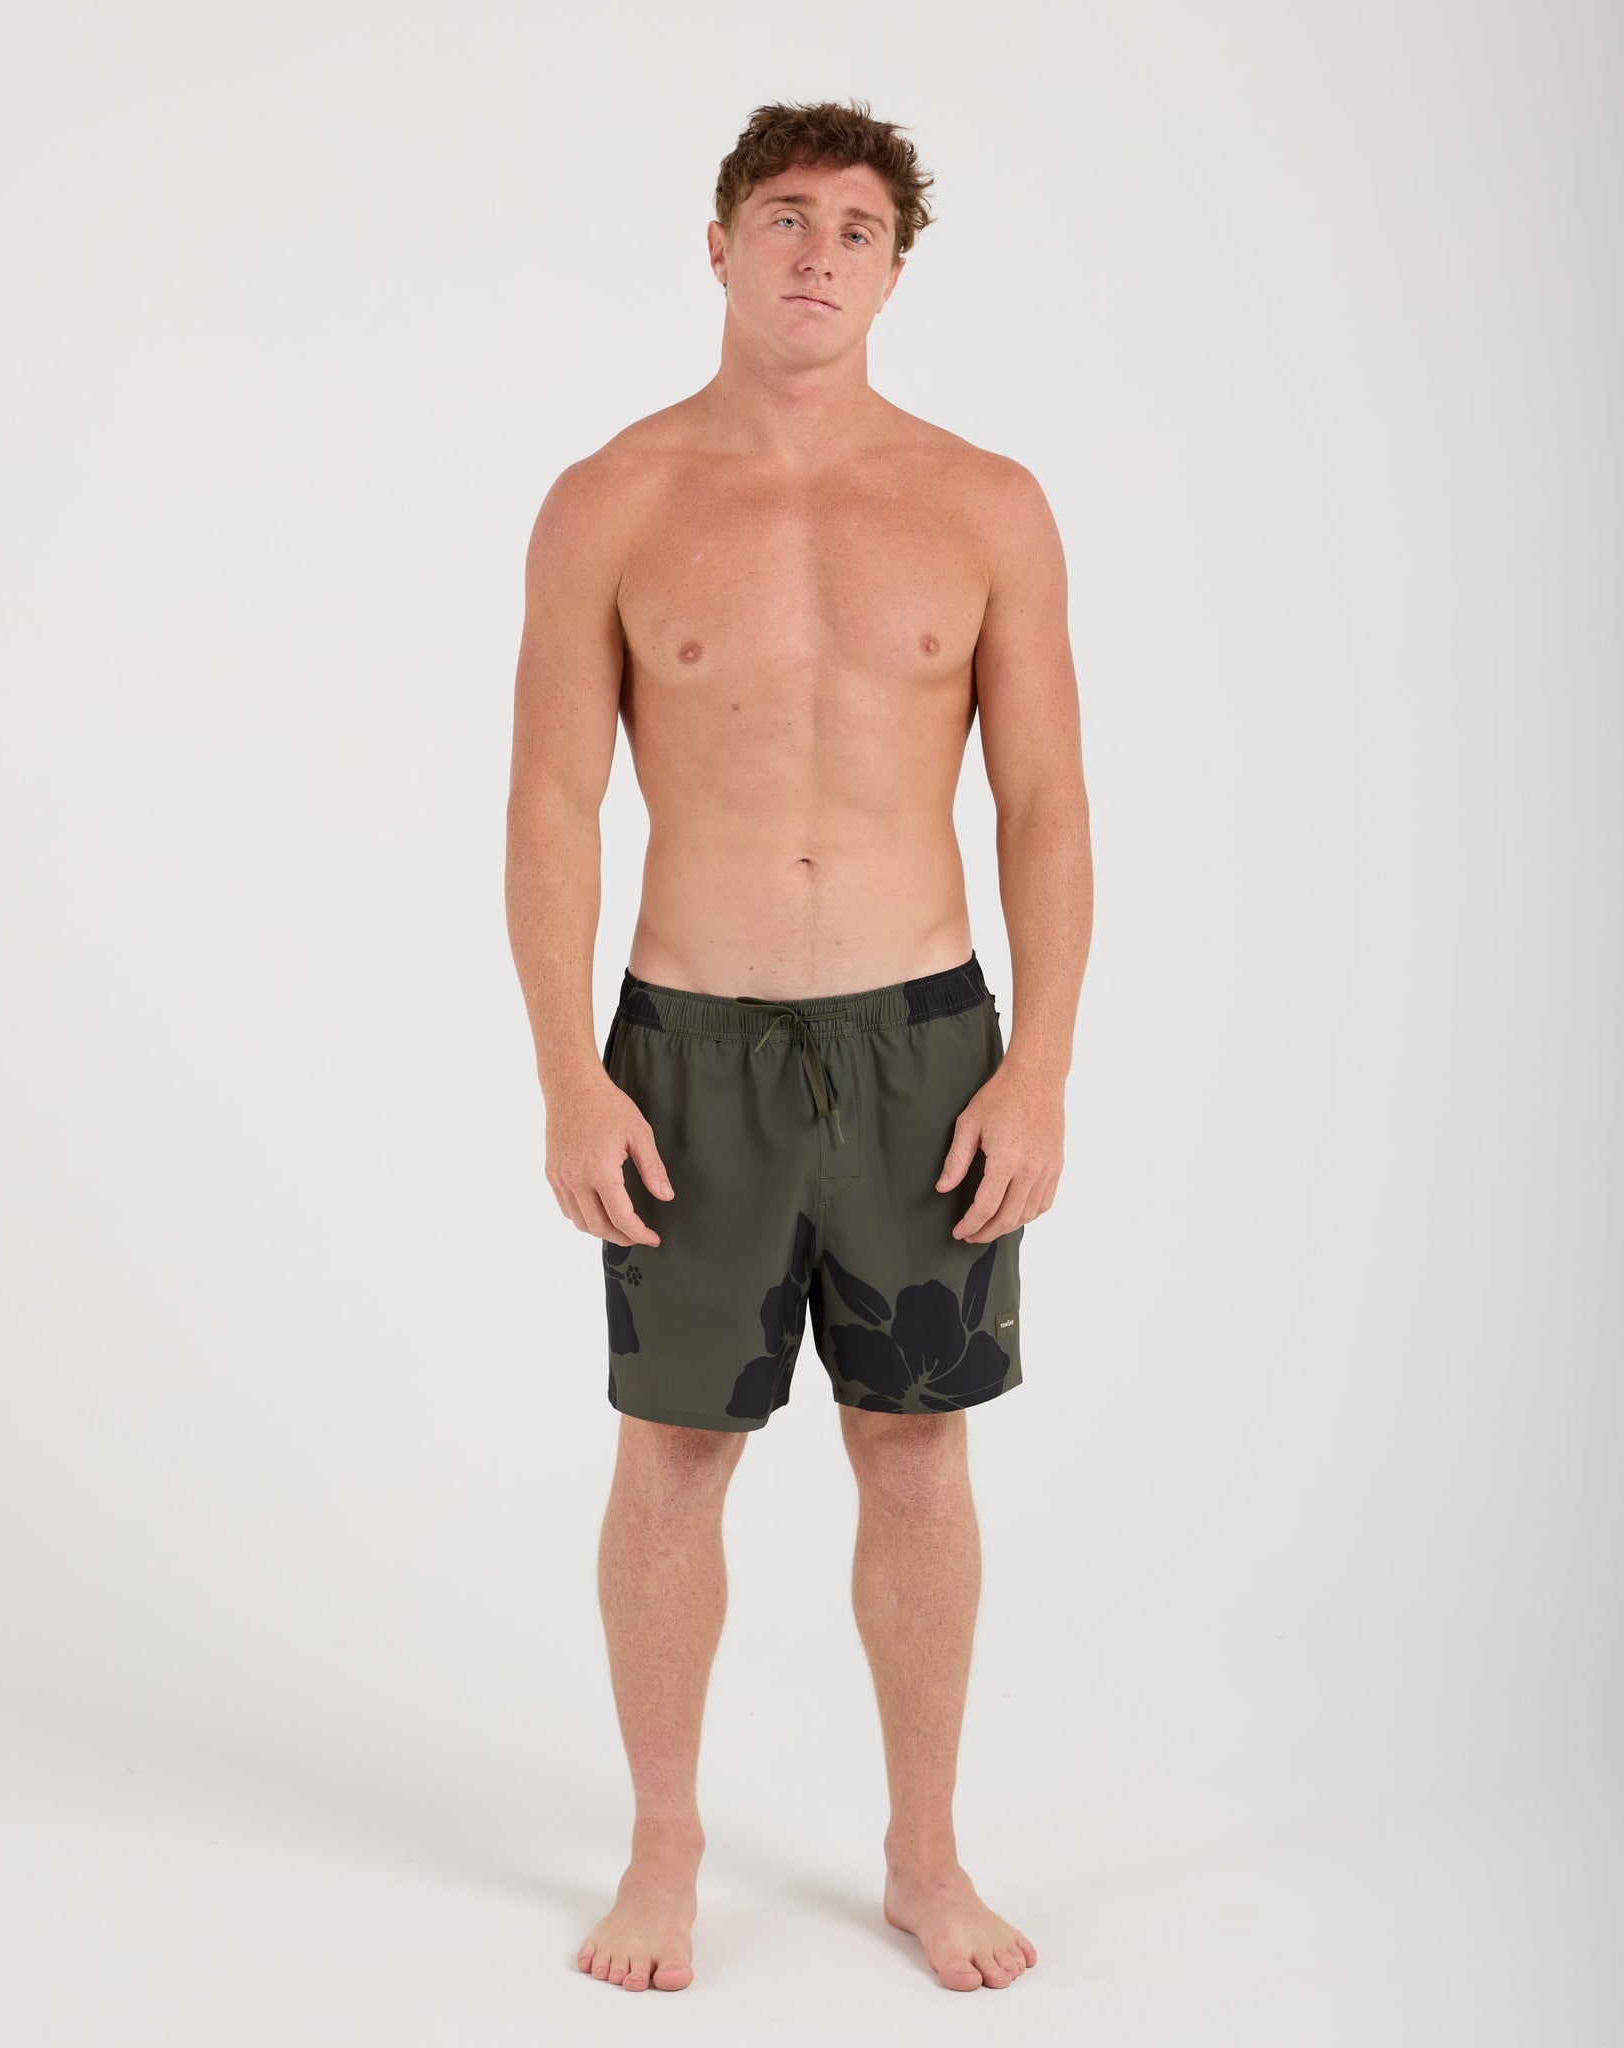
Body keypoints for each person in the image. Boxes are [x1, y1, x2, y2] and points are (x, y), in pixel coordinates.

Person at [504, 97, 1091, 1995]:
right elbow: (549, 803)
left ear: (895, 271)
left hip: (925, 1042)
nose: (817, 252)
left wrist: (1038, 1064)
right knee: (674, 1454)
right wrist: (568, 1073)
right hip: (691, 1047)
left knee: (914, 1453)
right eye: (783, 216)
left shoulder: (985, 501)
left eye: (855, 228)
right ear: (719, 245)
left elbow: (1044, 806)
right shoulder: (610, 498)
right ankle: (661, 1847)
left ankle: (924, 1855)